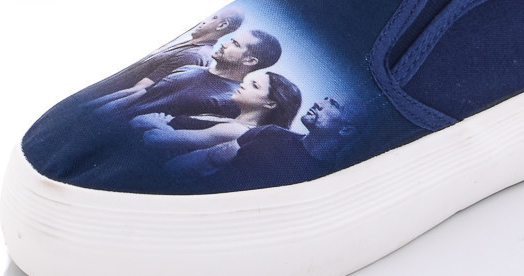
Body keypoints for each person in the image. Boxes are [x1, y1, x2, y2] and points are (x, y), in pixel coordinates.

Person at [132, 71, 302, 175]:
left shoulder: (238, 131)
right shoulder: (227, 118)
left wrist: (159, 124)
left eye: (255, 86)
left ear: (271, 104)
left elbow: (154, 138)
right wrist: (165, 126)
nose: (244, 84)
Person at [90, 29, 282, 119]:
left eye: (235, 44)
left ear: (250, 61)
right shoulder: (191, 69)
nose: (224, 44)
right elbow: (140, 94)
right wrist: (92, 107)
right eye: (230, 39)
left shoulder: (231, 102)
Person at [194, 95, 364, 192]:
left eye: (333, 105)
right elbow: (209, 158)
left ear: (346, 130)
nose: (319, 103)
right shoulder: (272, 133)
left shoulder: (326, 182)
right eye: (325, 99)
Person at [84, 6, 245, 103]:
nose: (204, 20)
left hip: (96, 102)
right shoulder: (192, 45)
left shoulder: (195, 55)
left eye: (214, 17)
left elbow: (139, 91)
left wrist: (87, 105)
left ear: (222, 25)